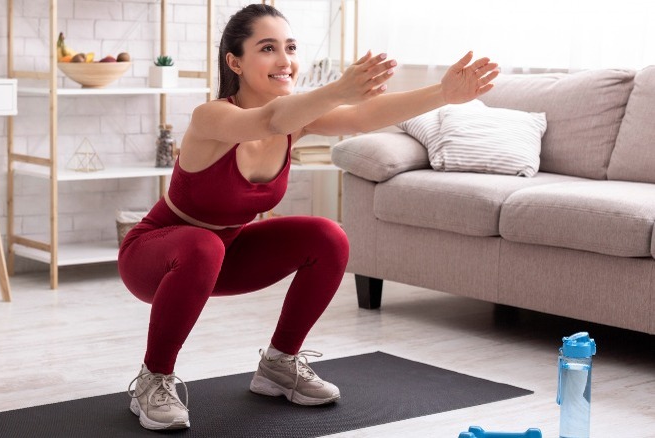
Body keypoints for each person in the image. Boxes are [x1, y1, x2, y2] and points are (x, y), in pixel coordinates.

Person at [118, 3, 498, 431]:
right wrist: (338, 88)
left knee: (327, 235)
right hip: (156, 256)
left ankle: (279, 365)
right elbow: (268, 119)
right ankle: (153, 379)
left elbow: (361, 117)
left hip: (223, 254)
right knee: (202, 244)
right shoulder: (211, 117)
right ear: (235, 62)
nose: (285, 60)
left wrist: (442, 94)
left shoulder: (295, 119)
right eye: (267, 48)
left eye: (290, 47)